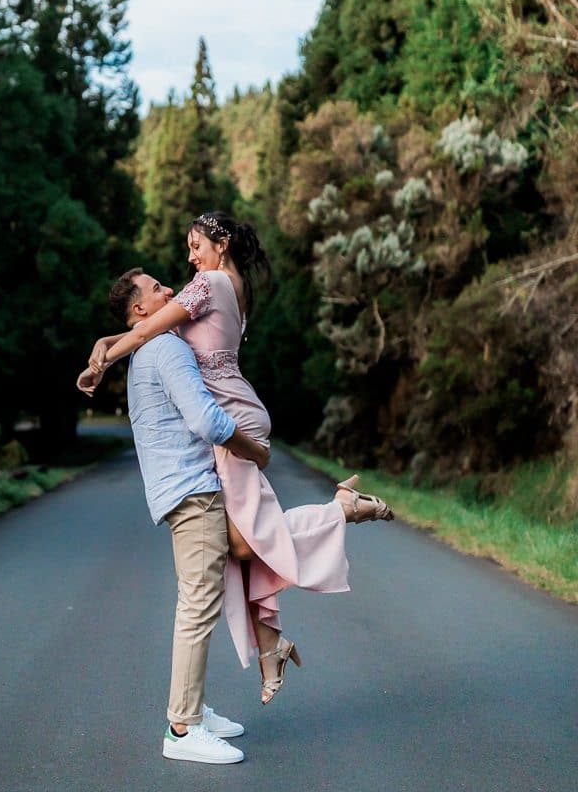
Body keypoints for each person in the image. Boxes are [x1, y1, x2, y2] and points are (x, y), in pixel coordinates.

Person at [79, 212, 393, 705]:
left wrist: (101, 357)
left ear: (220, 244)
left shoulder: (209, 284)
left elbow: (144, 332)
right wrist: (103, 344)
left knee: (246, 545)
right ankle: (272, 648)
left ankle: (342, 509)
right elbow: (143, 328)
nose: (189, 257)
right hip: (234, 412)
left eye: (195, 245)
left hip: (233, 422)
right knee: (240, 544)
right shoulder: (227, 283)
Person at [114, 268, 273, 764]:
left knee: (199, 599)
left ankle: (196, 711)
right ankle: (182, 729)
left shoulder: (144, 352)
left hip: (176, 490)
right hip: (194, 492)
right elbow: (205, 419)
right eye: (157, 289)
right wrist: (255, 450)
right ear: (139, 310)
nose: (169, 291)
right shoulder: (166, 348)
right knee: (198, 605)